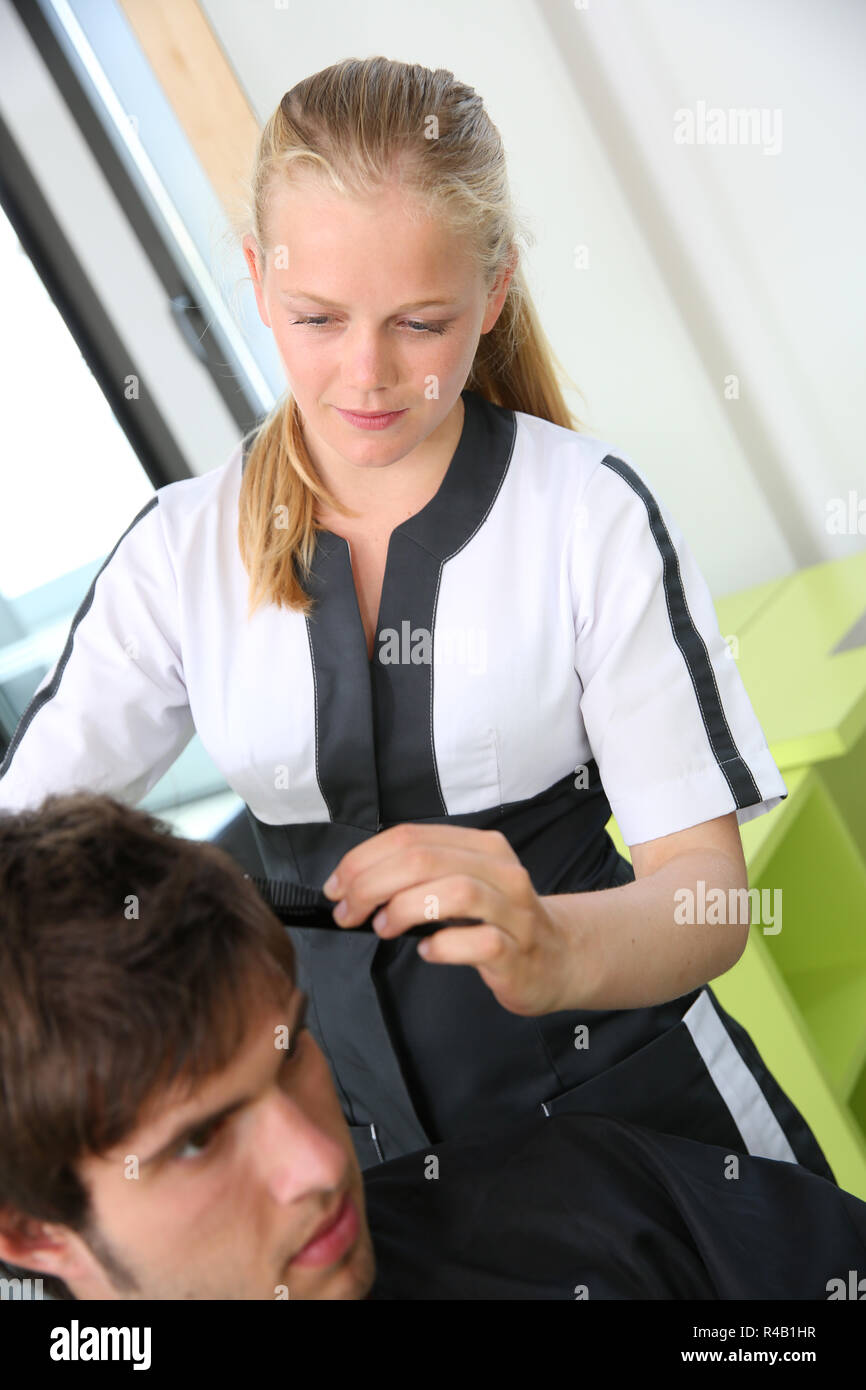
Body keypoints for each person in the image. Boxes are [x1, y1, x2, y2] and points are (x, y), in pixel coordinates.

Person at [0, 57, 833, 1183]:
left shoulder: (586, 512)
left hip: (652, 1131)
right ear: (255, 280)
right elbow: (21, 845)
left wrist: (554, 949)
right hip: (375, 1171)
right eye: (315, 316)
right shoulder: (176, 555)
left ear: (491, 294)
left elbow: (709, 901)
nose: (367, 374)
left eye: (420, 323)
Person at [1, 793, 864, 1302]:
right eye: (198, 1139)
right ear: (34, 1235)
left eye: (292, 1049)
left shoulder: (592, 1200)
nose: (316, 1165)